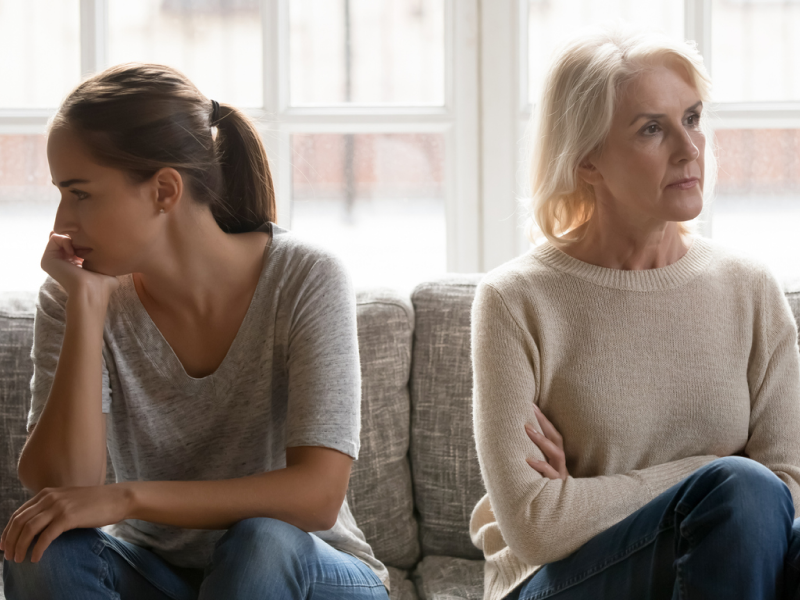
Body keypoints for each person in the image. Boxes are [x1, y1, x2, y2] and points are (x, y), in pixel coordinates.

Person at [0, 63, 389, 600]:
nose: (62, 222)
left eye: (80, 193)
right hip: (158, 573)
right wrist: (86, 311)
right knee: (45, 547)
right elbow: (63, 487)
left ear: (163, 190)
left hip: (308, 572)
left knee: (260, 543)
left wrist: (127, 499)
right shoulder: (74, 295)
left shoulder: (305, 277)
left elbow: (316, 497)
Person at [469, 23, 800, 600]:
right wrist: (713, 472)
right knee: (742, 489)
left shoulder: (749, 288)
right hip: (556, 582)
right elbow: (536, 524)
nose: (689, 147)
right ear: (588, 160)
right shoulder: (514, 301)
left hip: (728, 566)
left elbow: (789, 487)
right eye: (653, 129)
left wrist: (593, 495)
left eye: (692, 119)